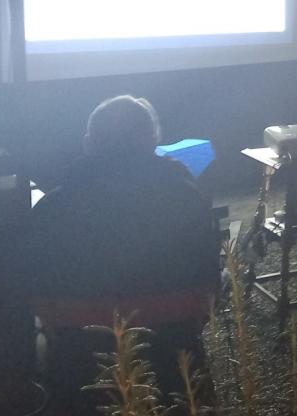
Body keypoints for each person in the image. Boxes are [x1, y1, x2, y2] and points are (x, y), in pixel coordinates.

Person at [28, 95, 219, 299]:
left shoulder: (52, 207)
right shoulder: (186, 197)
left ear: (88, 143)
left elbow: (36, 282)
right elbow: (207, 274)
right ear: (152, 141)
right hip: (175, 318)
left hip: (79, 319)